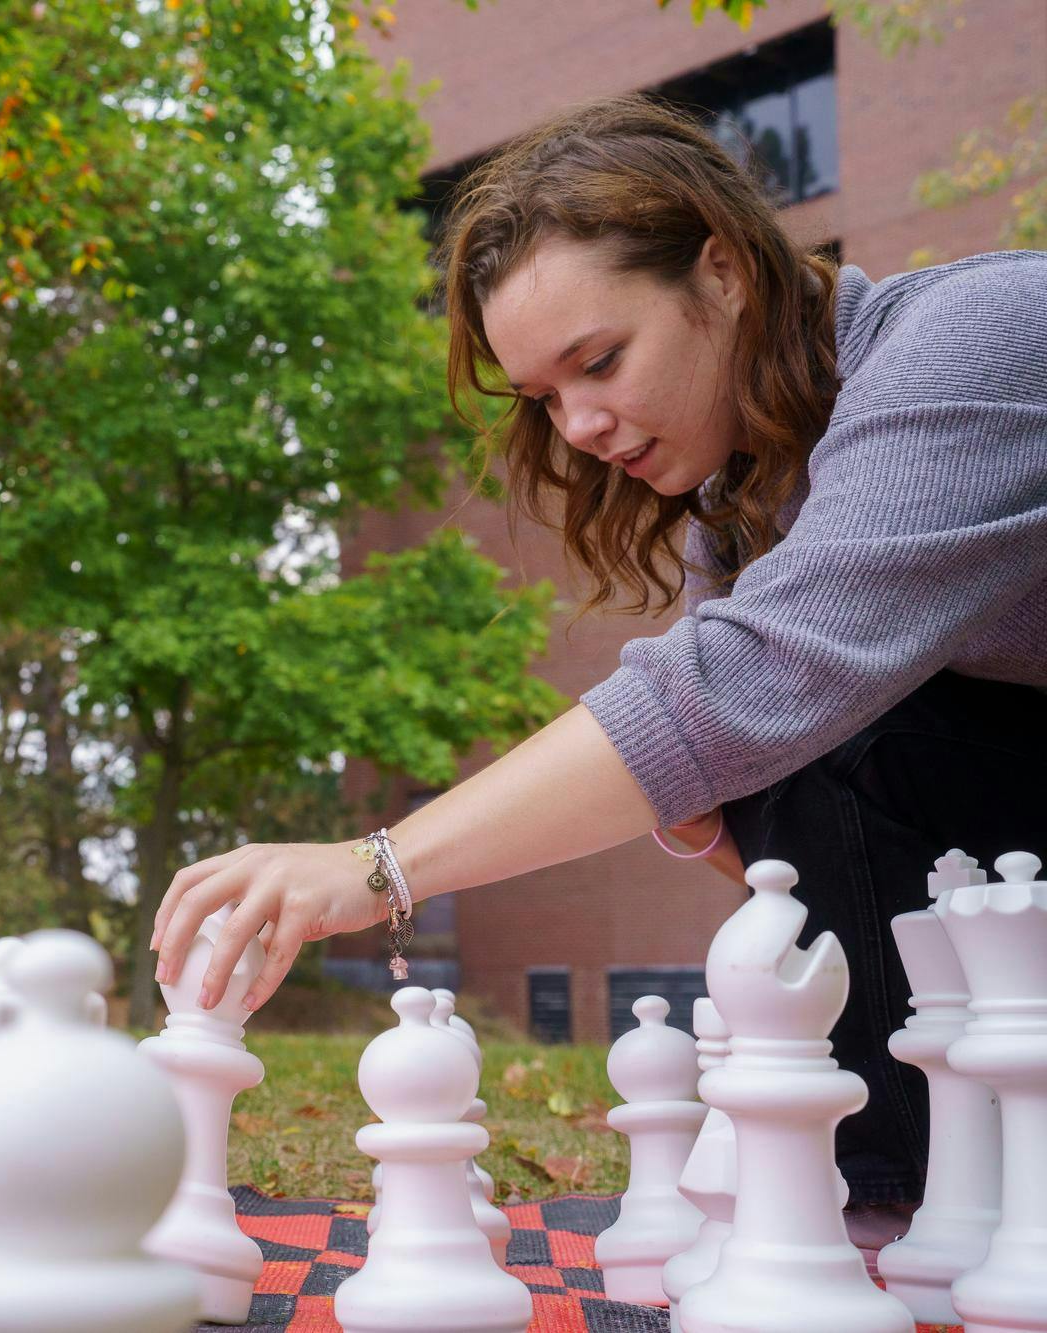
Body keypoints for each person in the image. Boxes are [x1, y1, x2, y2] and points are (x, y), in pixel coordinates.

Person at [151, 95, 1047, 1237]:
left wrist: (375, 867)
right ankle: (910, 1186)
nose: (578, 426)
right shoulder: (740, 503)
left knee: (826, 721)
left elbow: (749, 688)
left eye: (599, 361)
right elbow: (751, 790)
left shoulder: (975, 342)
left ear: (720, 272)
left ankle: (905, 1191)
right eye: (543, 397)